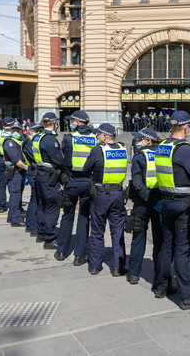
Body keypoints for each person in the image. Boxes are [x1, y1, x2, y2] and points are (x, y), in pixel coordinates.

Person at [155, 110, 190, 307]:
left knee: (167, 245)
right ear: (186, 126)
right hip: (184, 204)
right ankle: (187, 296)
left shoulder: (162, 147)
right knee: (182, 250)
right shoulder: (185, 149)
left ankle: (161, 286)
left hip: (166, 201)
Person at [83, 123, 128, 275]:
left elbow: (85, 169)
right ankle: (118, 267)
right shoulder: (122, 149)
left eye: (98, 135)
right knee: (117, 231)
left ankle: (95, 265)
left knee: (97, 230)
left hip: (101, 194)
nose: (96, 137)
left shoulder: (98, 150)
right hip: (118, 194)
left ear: (103, 136)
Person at [56, 110, 95, 266]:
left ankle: (61, 251)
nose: (71, 124)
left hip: (72, 181)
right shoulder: (95, 138)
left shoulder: (69, 138)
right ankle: (79, 255)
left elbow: (62, 158)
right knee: (84, 218)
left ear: (78, 122)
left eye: (72, 121)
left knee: (67, 216)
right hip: (88, 183)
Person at [126, 127, 163, 286]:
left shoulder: (139, 156)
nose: (137, 141)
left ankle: (134, 274)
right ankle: (160, 278)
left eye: (140, 138)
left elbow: (137, 183)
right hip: (160, 203)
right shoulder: (164, 154)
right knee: (160, 242)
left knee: (138, 239)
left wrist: (148, 199)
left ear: (149, 140)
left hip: (143, 203)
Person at [33, 112, 65, 250]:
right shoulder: (49, 139)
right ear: (53, 123)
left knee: (42, 205)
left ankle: (41, 232)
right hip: (50, 177)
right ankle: (50, 238)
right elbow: (58, 160)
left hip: (40, 174)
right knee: (52, 207)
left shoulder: (38, 136)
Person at [3, 121, 29, 227]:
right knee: (15, 195)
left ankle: (11, 216)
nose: (15, 131)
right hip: (14, 172)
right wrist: (27, 167)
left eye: (17, 130)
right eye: (14, 130)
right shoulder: (9, 142)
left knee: (18, 194)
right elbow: (15, 159)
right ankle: (15, 219)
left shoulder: (19, 141)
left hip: (20, 172)